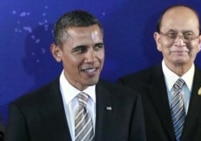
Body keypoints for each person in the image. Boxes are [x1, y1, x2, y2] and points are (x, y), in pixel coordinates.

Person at [5, 10, 146, 141]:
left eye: (98, 47)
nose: (92, 58)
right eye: (80, 50)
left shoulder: (128, 102)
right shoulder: (26, 111)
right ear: (57, 53)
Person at [118, 4, 201, 141]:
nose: (180, 42)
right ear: (158, 40)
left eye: (188, 35)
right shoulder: (129, 88)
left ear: (200, 41)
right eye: (171, 34)